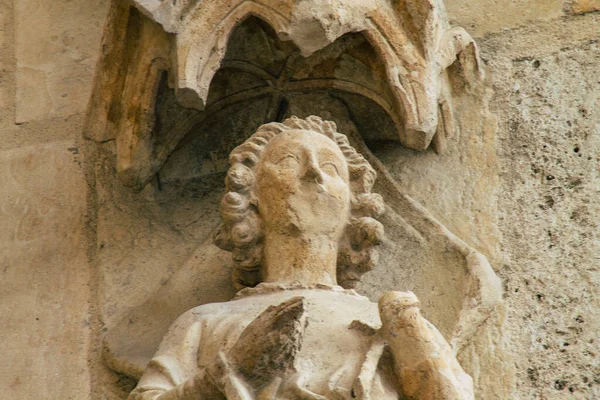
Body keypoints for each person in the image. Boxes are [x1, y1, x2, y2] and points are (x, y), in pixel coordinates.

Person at [129, 116, 473, 400]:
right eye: (290, 162)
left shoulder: (386, 319)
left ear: (355, 206)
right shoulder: (204, 321)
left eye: (330, 167)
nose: (313, 173)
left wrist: (411, 338)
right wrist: (230, 370)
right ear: (252, 198)